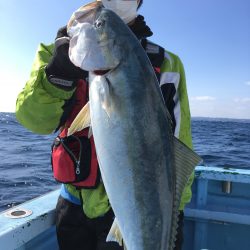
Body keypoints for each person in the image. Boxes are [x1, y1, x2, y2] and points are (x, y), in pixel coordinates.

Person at [16, 0, 194, 249]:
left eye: (99, 25)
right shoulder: (56, 52)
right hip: (77, 209)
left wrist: (172, 212)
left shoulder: (168, 64)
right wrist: (57, 75)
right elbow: (33, 120)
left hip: (139, 212)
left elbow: (179, 143)